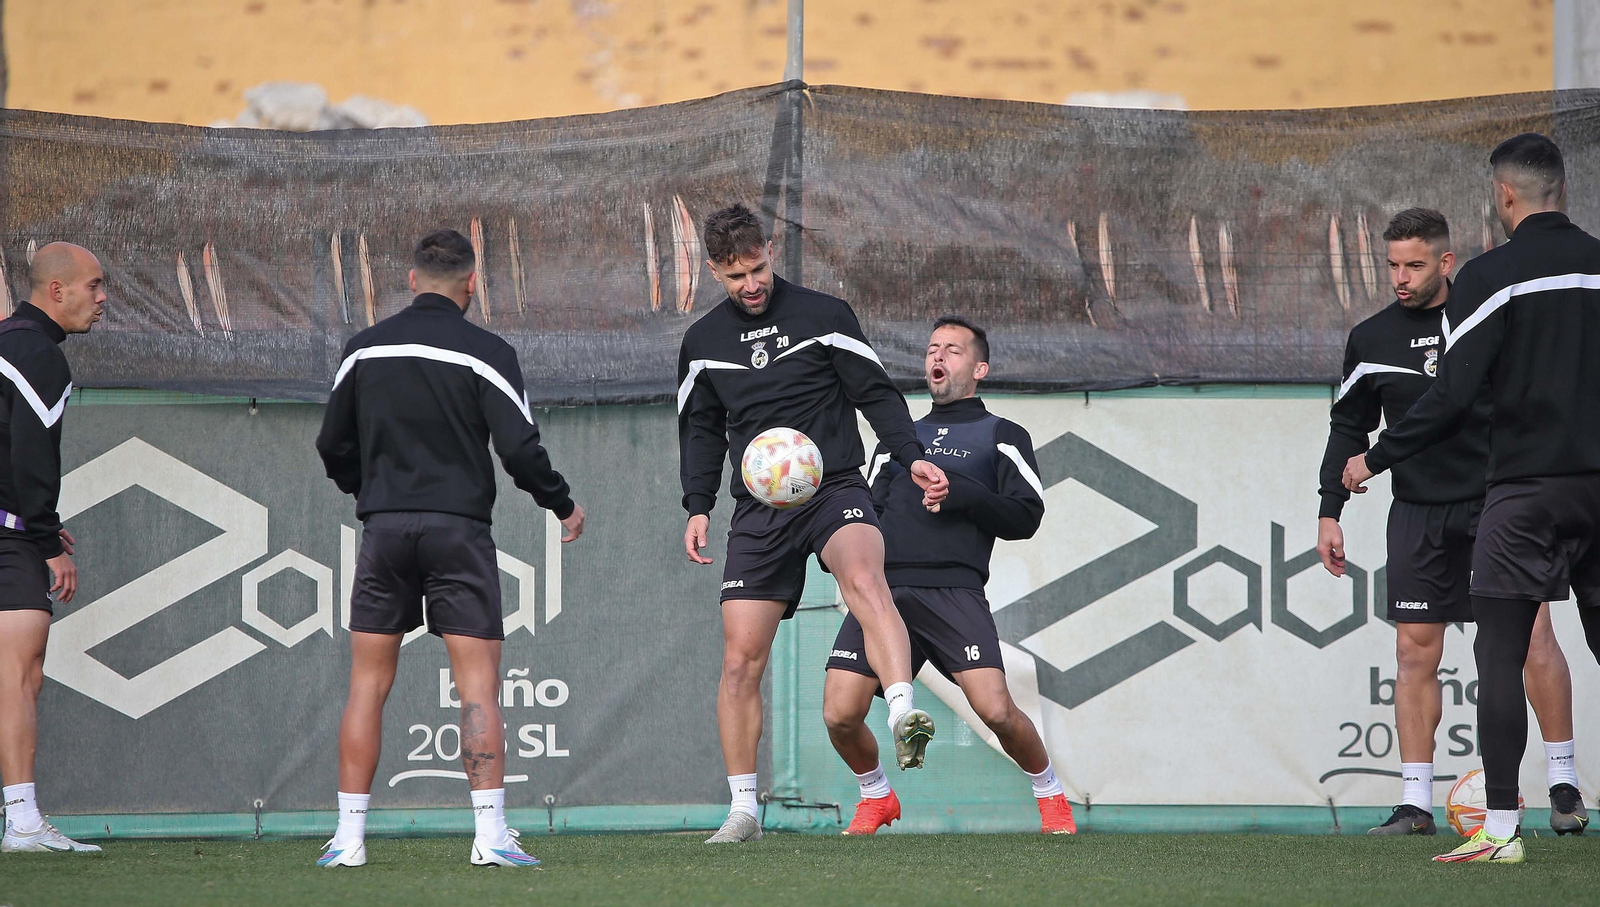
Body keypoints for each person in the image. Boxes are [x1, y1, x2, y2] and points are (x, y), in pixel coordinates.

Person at [1344, 134, 1600, 864]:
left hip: (1522, 492)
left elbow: (1453, 394)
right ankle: (1553, 790)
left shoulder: (1496, 274)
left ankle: (1500, 831)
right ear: (1562, 189)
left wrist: (1377, 457)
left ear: (1506, 195)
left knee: (1500, 652)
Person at [678, 203, 949, 844]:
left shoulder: (824, 315)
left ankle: (904, 710)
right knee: (741, 660)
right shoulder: (701, 344)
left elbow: (875, 393)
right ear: (713, 269)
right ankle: (745, 808)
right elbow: (698, 430)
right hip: (758, 509)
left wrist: (910, 458)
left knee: (864, 577)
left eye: (759, 267)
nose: (752, 283)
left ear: (770, 249)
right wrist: (697, 504)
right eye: (736, 274)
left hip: (833, 486)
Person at [315, 229, 585, 869]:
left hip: (383, 531)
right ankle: (489, 838)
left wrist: (373, 493)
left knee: (366, 687)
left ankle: (347, 842)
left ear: (410, 280)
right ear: (473, 283)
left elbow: (332, 446)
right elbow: (519, 450)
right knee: (479, 690)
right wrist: (562, 503)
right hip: (458, 532)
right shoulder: (487, 351)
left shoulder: (362, 350)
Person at [823, 316, 1074, 835]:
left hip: (955, 593)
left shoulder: (1003, 436)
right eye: (932, 348)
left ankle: (1051, 797)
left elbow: (1026, 516)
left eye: (953, 350)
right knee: (839, 714)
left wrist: (960, 493)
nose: (938, 357)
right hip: (884, 594)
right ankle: (876, 797)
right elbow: (865, 509)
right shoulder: (898, 438)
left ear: (979, 368)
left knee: (997, 711)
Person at [0, 243, 104, 854]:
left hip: (13, 523)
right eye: (93, 285)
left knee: (16, 673)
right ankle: (23, 822)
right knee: (19, 671)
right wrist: (43, 538)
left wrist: (36, 520)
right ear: (56, 290)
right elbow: (31, 458)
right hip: (11, 536)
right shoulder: (35, 353)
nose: (103, 298)